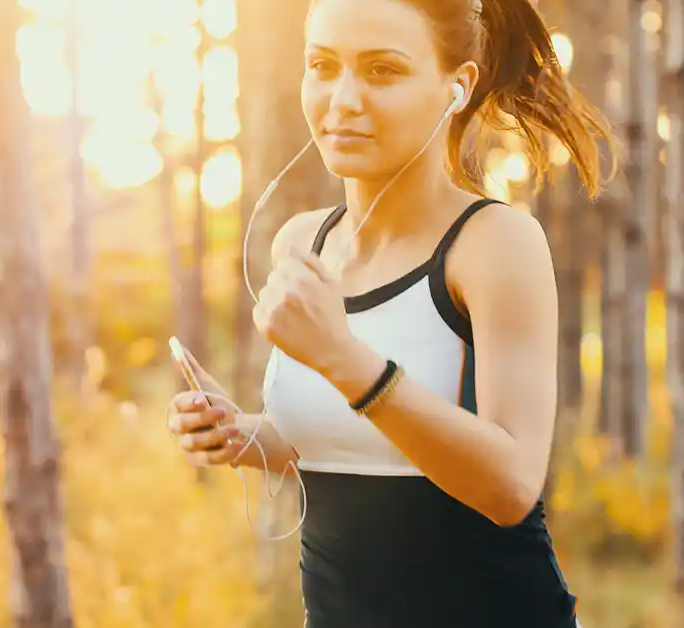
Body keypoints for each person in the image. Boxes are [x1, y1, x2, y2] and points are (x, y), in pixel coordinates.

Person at [167, 0, 613, 625]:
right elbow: (350, 444)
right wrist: (242, 434)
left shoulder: (493, 243)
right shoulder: (302, 242)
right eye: (322, 65)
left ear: (456, 87)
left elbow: (511, 486)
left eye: (381, 71)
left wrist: (344, 360)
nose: (342, 99)